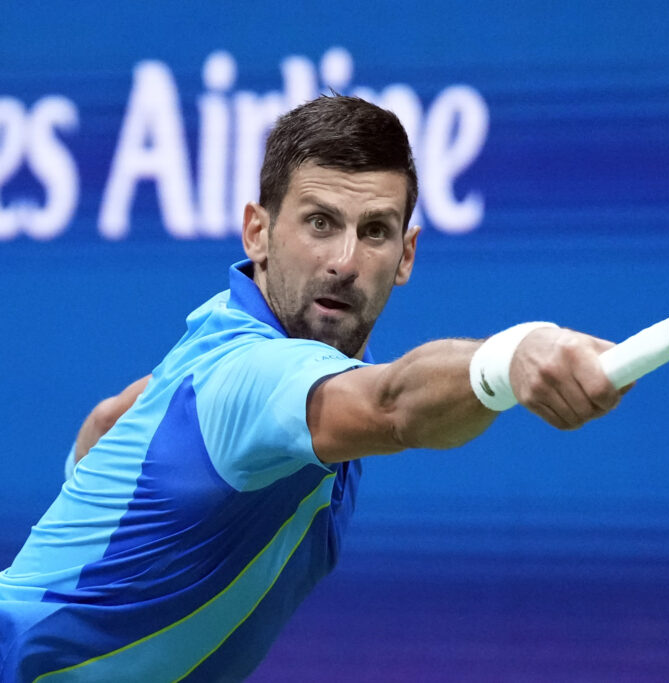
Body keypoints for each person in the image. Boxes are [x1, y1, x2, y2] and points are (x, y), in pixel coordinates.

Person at [0, 95, 626, 681]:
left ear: (406, 255)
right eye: (320, 223)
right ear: (257, 233)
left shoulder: (234, 341)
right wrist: (510, 357)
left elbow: (109, 419)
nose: (345, 260)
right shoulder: (250, 377)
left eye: (375, 231)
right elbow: (393, 404)